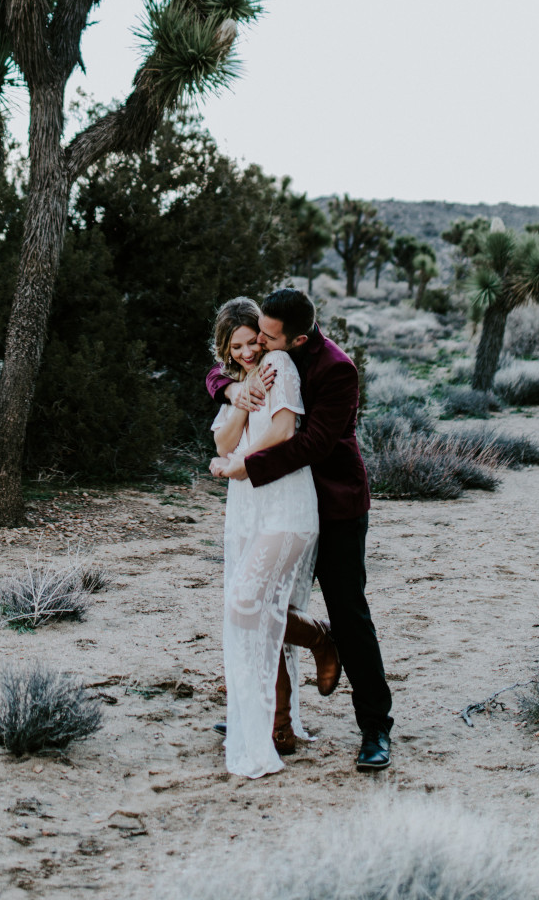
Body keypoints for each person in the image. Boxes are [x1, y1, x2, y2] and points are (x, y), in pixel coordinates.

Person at [206, 287, 393, 772]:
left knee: (349, 615)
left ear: (298, 337)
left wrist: (243, 465)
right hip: (272, 501)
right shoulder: (269, 346)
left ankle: (375, 726)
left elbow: (310, 442)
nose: (260, 345)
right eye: (258, 336)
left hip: (334, 505)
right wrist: (230, 388)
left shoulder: (337, 370)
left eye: (268, 338)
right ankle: (274, 718)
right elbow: (224, 361)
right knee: (269, 603)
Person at [207, 297, 341, 778]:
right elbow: (223, 441)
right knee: (258, 607)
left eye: (255, 339)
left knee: (246, 605)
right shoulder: (240, 378)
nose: (249, 349)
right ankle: (278, 725)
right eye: (238, 345)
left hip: (284, 501)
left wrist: (241, 465)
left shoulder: (281, 365)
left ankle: (320, 637)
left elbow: (285, 430)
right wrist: (239, 397)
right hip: (250, 508)